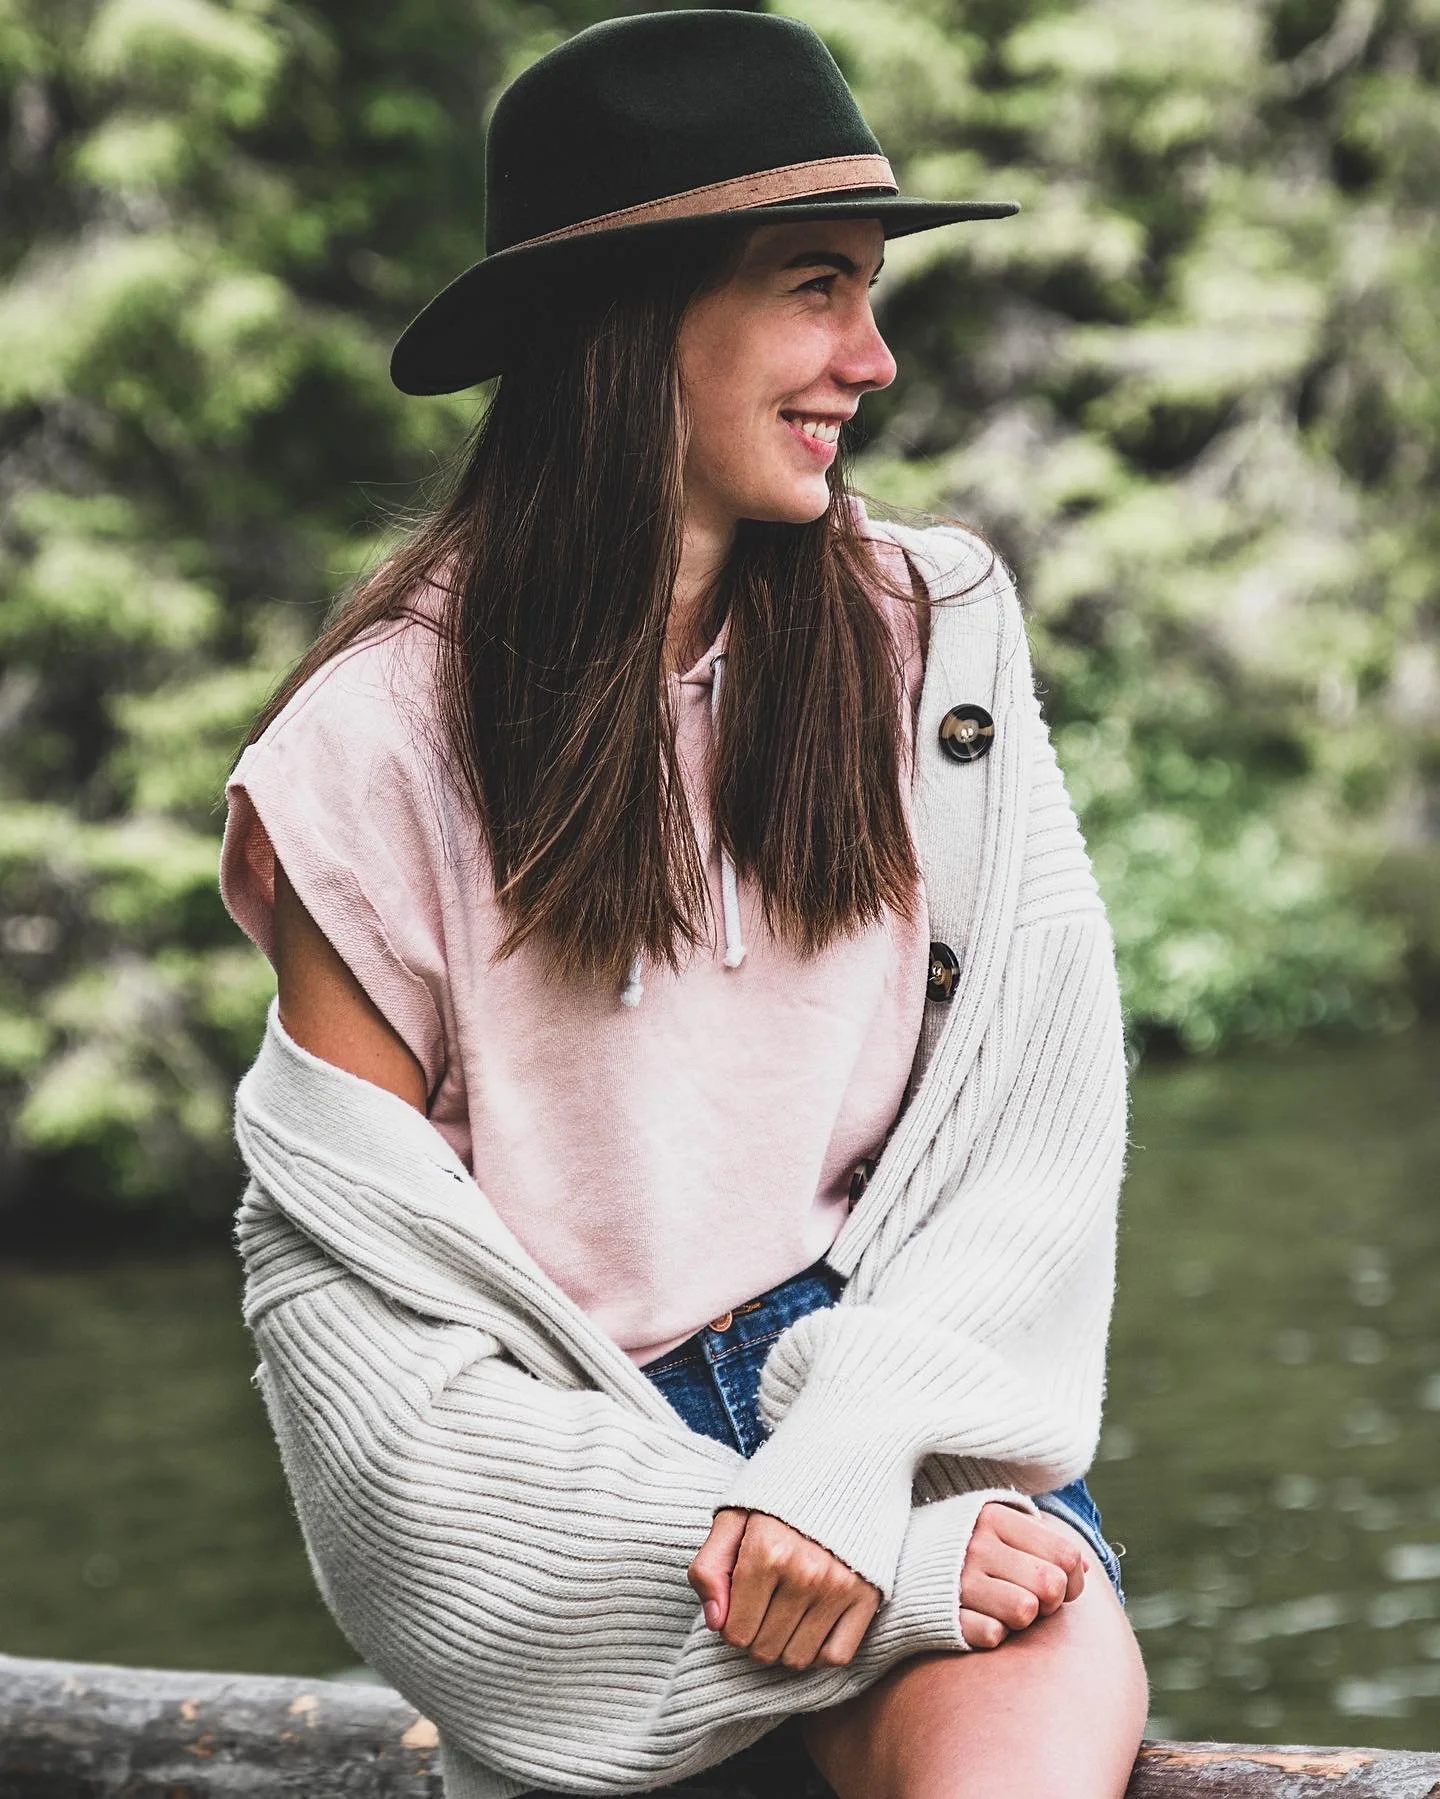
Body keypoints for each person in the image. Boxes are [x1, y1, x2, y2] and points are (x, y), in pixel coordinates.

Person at [221, 12, 1148, 1797]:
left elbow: (1033, 1133)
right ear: (631, 318)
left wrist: (852, 1471)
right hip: (573, 1506)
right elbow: (361, 1350)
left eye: (872, 291)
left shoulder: (932, 638)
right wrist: (753, 1538)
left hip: (905, 1422)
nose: (872, 359)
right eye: (816, 288)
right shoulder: (365, 753)